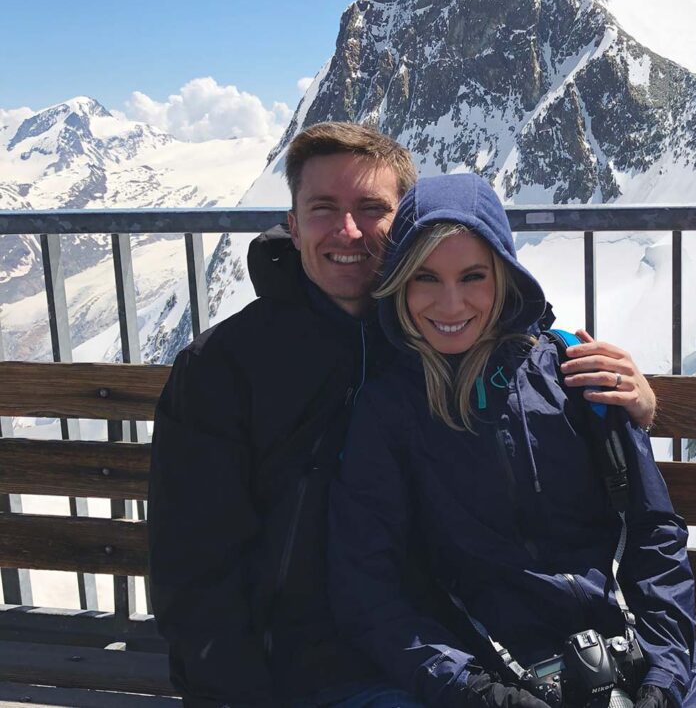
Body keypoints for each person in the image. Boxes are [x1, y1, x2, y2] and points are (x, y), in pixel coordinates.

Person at [148, 122, 658, 707]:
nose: (347, 230)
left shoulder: (436, 333)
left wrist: (633, 406)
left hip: (450, 654)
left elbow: (522, 359)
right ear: (291, 224)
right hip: (301, 667)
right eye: (323, 209)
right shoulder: (224, 368)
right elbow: (192, 569)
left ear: (405, 230)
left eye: (371, 209)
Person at [328, 173, 696, 708]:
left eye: (472, 276)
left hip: (638, 654)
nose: (451, 303)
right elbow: (367, 583)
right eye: (426, 278)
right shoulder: (390, 411)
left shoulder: (577, 376)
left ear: (505, 277)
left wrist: (666, 675)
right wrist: (475, 692)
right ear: (399, 284)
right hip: (487, 672)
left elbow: (654, 533)